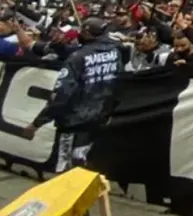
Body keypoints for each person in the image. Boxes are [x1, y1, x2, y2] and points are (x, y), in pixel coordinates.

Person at [21, 17, 124, 172]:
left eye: (82, 31)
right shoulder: (115, 53)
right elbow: (119, 84)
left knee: (65, 166)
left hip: (72, 122)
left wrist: (37, 123)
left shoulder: (78, 57)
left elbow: (62, 94)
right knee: (82, 164)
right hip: (98, 119)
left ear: (88, 34)